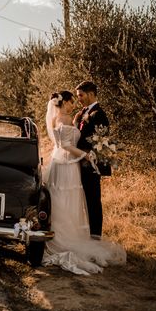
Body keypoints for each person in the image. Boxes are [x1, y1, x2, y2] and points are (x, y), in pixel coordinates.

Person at [42, 90, 126, 275]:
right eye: (72, 101)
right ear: (64, 103)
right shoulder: (61, 120)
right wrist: (85, 155)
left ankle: (73, 235)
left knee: (72, 199)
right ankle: (61, 239)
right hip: (64, 164)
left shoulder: (72, 118)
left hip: (71, 165)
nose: (75, 104)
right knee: (62, 199)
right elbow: (64, 145)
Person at [73, 80, 108, 239]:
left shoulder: (99, 114)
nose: (78, 98)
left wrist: (91, 158)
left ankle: (95, 235)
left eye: (81, 95)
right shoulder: (82, 113)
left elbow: (102, 140)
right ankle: (84, 231)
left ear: (91, 94)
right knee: (83, 198)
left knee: (93, 199)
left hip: (90, 163)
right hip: (80, 161)